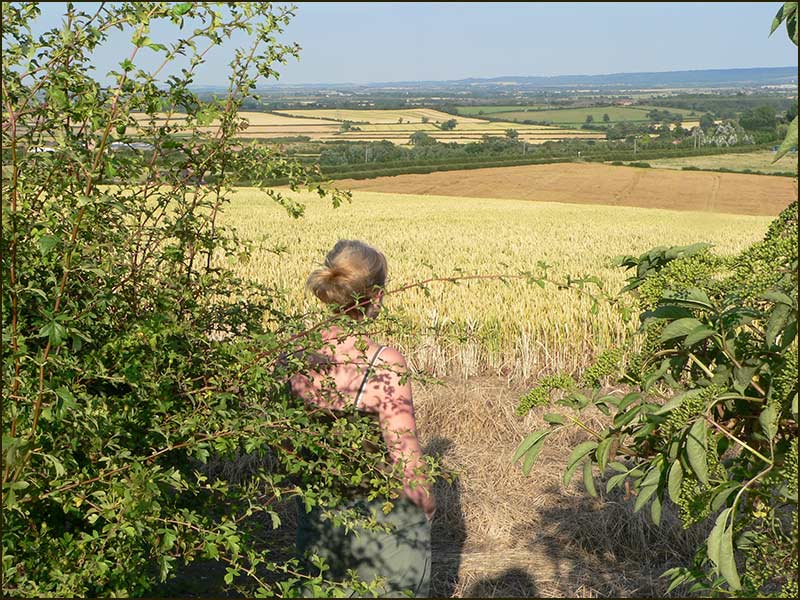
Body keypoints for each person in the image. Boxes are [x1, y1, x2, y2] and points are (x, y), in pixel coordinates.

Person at [289, 239, 435, 598]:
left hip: (318, 518)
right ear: (375, 296)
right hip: (380, 527)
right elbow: (405, 457)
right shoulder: (383, 362)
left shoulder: (293, 354)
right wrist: (426, 504)